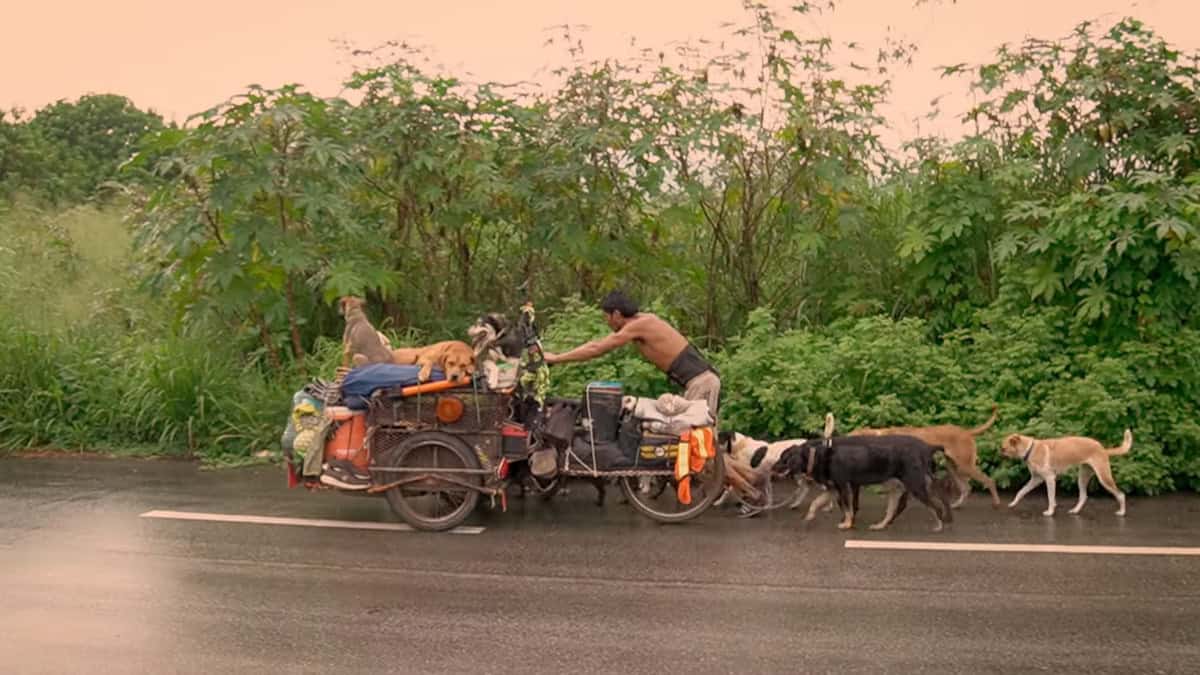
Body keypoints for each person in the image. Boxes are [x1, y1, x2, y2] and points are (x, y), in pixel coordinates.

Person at [542, 290, 763, 509]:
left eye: (607, 317)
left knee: (699, 449)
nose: (607, 322)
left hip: (701, 383)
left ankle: (752, 494)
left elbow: (597, 348)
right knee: (702, 447)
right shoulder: (644, 322)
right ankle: (752, 479)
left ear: (617, 314)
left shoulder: (639, 325)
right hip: (697, 383)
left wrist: (557, 358)